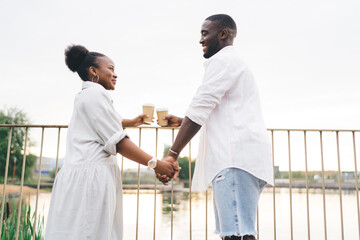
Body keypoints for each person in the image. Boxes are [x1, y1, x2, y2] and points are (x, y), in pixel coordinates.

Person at [158, 14, 273, 240]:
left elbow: (200, 107)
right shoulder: (233, 62)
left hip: (234, 160)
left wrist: (172, 155)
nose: (200, 39)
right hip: (241, 159)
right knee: (236, 232)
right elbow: (221, 112)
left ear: (222, 34)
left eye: (204, 33)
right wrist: (182, 121)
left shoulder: (224, 61)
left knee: (236, 234)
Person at [45, 45, 178, 240]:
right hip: (91, 178)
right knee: (91, 232)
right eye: (110, 68)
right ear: (94, 71)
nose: (115, 74)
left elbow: (101, 121)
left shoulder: (85, 95)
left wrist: (131, 122)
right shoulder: (96, 95)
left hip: (80, 174)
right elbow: (119, 142)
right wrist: (158, 164)